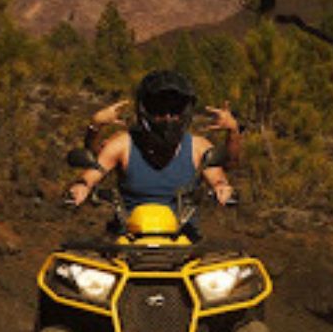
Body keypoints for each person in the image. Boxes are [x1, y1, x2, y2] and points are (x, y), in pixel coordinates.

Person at [67, 70, 242, 220]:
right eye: (159, 111)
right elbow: (93, 171)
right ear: (145, 110)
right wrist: (82, 186)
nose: (168, 118)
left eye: (175, 112)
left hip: (184, 240)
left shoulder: (197, 147)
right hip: (127, 239)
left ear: (185, 112)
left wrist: (222, 188)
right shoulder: (124, 144)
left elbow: (222, 173)